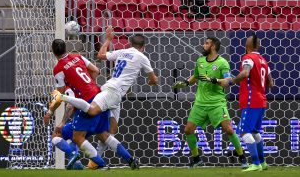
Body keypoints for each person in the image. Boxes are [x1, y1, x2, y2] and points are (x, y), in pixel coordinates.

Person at [45, 38, 138, 169]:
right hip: (100, 96)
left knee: (75, 137)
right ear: (66, 48)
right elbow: (96, 70)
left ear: (53, 52)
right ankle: (130, 159)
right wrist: (90, 85)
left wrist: (50, 112)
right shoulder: (78, 57)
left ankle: (99, 164)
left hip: (86, 102)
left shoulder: (59, 69)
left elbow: (59, 96)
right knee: (104, 135)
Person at [50, 26, 158, 118]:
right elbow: (153, 79)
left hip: (112, 90)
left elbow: (100, 55)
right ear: (143, 47)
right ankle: (64, 97)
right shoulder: (142, 57)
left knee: (111, 130)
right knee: (92, 111)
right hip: (113, 91)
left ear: (130, 43)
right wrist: (152, 82)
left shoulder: (122, 52)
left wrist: (108, 40)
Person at [172, 37, 247, 168]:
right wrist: (185, 83)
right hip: (200, 103)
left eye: (206, 43)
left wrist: (214, 80)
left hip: (216, 103)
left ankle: (242, 157)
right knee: (188, 130)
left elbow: (228, 81)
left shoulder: (222, 63)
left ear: (213, 46)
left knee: (229, 129)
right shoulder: (200, 61)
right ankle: (196, 160)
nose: (203, 45)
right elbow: (196, 76)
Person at [218, 35, 274, 172]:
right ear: (258, 46)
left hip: (250, 99)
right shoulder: (264, 61)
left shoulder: (248, 58)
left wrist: (231, 81)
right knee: (255, 132)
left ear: (247, 46)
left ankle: (255, 163)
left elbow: (245, 73)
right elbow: (271, 83)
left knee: (244, 132)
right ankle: (263, 162)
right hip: (261, 100)